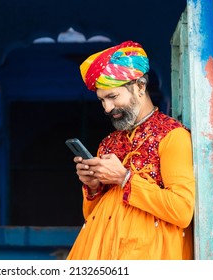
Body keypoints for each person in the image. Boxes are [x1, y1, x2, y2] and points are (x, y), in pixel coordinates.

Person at [66, 40, 195, 260]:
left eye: (113, 97)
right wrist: (93, 187)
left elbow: (182, 211)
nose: (107, 108)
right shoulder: (108, 144)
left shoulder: (173, 136)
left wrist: (125, 178)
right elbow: (92, 215)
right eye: (101, 100)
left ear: (140, 87)